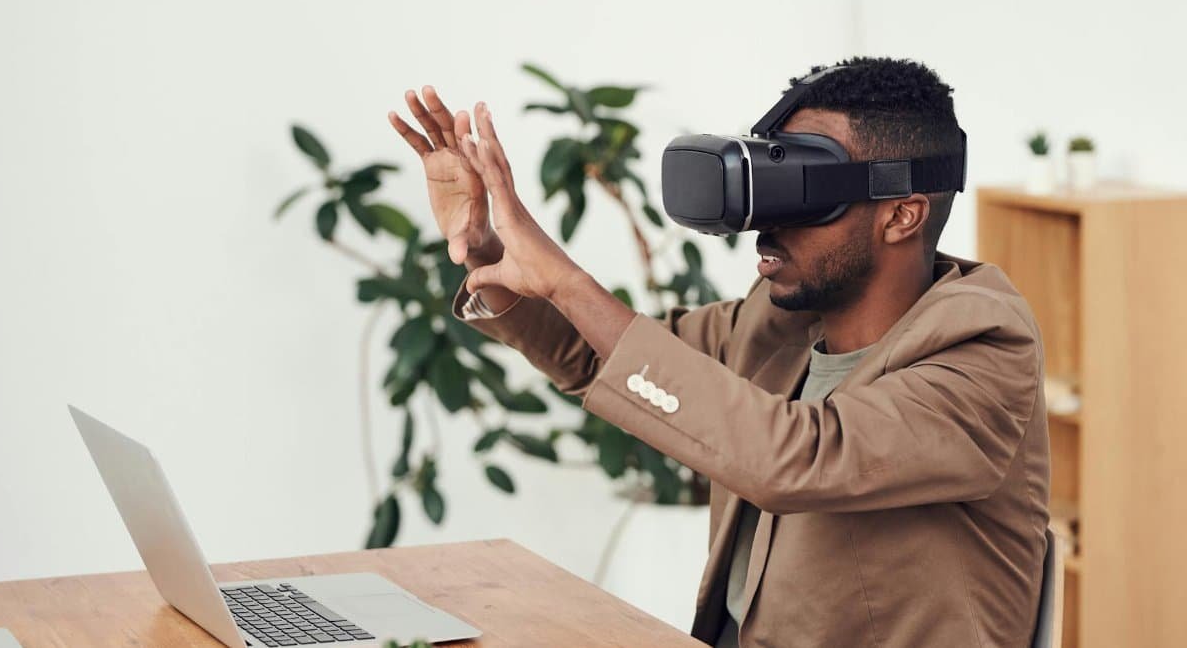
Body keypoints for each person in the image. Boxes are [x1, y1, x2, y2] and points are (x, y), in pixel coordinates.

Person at [389, 57, 1051, 648]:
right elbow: (611, 362)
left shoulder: (982, 349)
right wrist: (490, 252)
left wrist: (565, 275)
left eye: (807, 192)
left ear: (901, 214)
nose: (769, 221)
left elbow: (798, 458)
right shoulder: (779, 325)